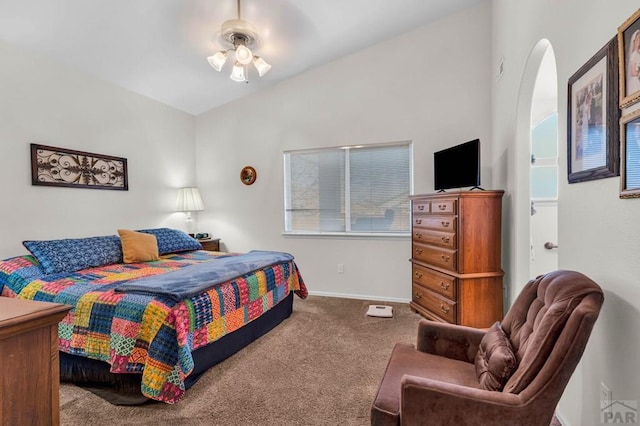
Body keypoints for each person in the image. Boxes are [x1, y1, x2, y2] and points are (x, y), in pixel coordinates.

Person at [627, 29, 640, 95]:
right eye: (638, 38)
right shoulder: (634, 54)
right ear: (635, 41)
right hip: (636, 81)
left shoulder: (639, 53)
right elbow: (633, 72)